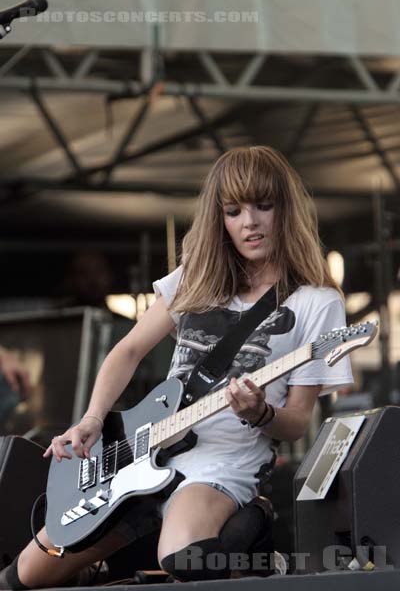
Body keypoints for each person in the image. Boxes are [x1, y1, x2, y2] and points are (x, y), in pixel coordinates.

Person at [0, 146, 353, 589]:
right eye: (234, 210)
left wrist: (260, 413)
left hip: (223, 463)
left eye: (264, 206)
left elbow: (298, 422)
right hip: (142, 450)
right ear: (218, 218)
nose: (250, 222)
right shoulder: (194, 279)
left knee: (183, 559)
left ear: (286, 209)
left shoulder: (317, 303)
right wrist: (91, 419)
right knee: (24, 577)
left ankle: (253, 520)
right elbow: (127, 351)